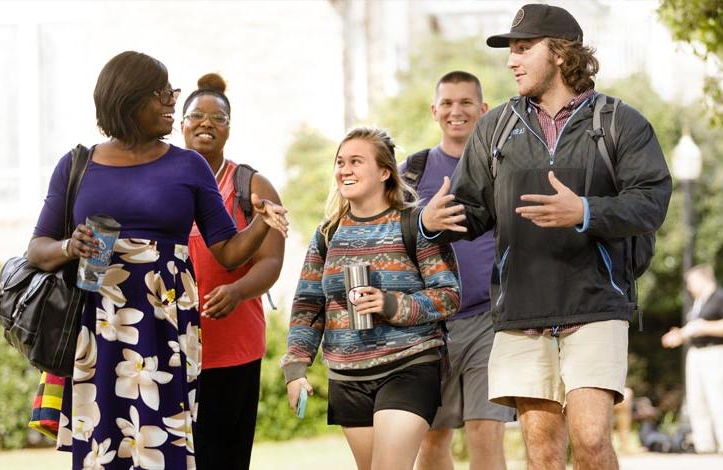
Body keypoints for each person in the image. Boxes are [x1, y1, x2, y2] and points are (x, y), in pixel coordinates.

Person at [418, 4, 672, 469]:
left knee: (592, 438)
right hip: (520, 311)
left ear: (559, 53)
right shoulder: (495, 128)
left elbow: (652, 201)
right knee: (542, 448)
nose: (512, 60)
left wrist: (586, 210)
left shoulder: (619, 122)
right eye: (510, 50)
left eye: (522, 48)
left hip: (596, 304)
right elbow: (471, 210)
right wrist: (431, 221)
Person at [27, 51, 287, 469]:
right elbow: (37, 249)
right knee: (102, 447)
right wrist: (69, 247)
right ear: (129, 99)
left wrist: (261, 222)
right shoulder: (77, 164)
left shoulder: (188, 166)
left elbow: (229, 249)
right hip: (99, 328)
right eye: (163, 93)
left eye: (172, 91)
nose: (172, 101)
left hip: (165, 327)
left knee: (164, 446)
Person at [281, 127, 461, 470]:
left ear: (384, 172)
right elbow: (308, 306)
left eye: (356, 161)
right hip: (347, 376)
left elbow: (449, 296)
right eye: (340, 162)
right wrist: (296, 368)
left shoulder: (414, 224)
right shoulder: (328, 233)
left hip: (409, 365)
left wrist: (391, 304)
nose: (344, 169)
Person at [404, 71, 514, 470]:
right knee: (431, 442)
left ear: (483, 110)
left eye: (467, 102)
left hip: (489, 320)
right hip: (430, 326)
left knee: (487, 436)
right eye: (447, 103)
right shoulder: (411, 173)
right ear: (434, 111)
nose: (457, 111)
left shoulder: (504, 170)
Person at [182, 73, 285, 469]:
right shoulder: (164, 179)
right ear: (182, 123)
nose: (206, 123)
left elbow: (271, 261)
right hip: (167, 348)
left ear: (229, 128)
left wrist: (239, 291)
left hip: (231, 350)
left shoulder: (251, 184)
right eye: (197, 115)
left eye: (218, 118)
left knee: (224, 457)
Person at [661, 264, 723, 455]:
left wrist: (703, 327)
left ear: (703, 279)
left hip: (715, 352)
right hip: (695, 353)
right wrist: (679, 335)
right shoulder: (697, 302)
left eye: (690, 282)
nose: (688, 287)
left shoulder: (720, 297)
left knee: (719, 396)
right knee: (696, 399)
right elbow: (694, 328)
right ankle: (704, 443)